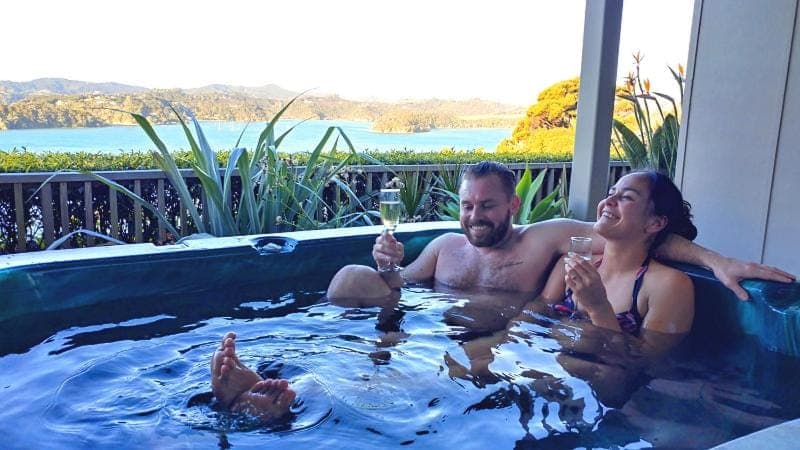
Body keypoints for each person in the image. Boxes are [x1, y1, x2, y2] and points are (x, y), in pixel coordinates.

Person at [211, 161, 795, 421]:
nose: (475, 215)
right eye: (467, 204)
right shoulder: (562, 258)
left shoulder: (564, 245)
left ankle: (286, 404)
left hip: (571, 366)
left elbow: (644, 359)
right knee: (399, 353)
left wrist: (716, 261)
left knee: (434, 383)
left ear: (513, 205)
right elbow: (537, 311)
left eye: (487, 204)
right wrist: (388, 271)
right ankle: (294, 389)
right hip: (522, 345)